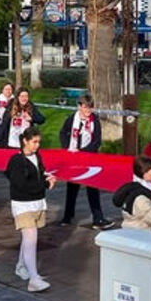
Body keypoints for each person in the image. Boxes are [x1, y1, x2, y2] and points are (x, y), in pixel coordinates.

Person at [6, 127, 57, 293]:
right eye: (34, 142)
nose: (37, 145)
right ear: (24, 141)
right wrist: (44, 184)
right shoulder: (16, 161)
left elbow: (38, 174)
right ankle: (33, 278)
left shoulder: (37, 156)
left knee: (28, 239)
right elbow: (20, 184)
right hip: (23, 204)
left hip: (37, 202)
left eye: (38, 142)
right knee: (30, 239)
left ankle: (23, 267)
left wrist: (46, 178)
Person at [58, 94, 114, 230]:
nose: (87, 110)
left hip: (89, 158)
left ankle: (98, 218)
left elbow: (97, 140)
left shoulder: (94, 120)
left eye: (90, 107)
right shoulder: (72, 119)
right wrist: (68, 148)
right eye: (85, 107)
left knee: (92, 187)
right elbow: (63, 133)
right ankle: (68, 215)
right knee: (72, 187)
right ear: (79, 107)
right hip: (74, 158)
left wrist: (84, 151)